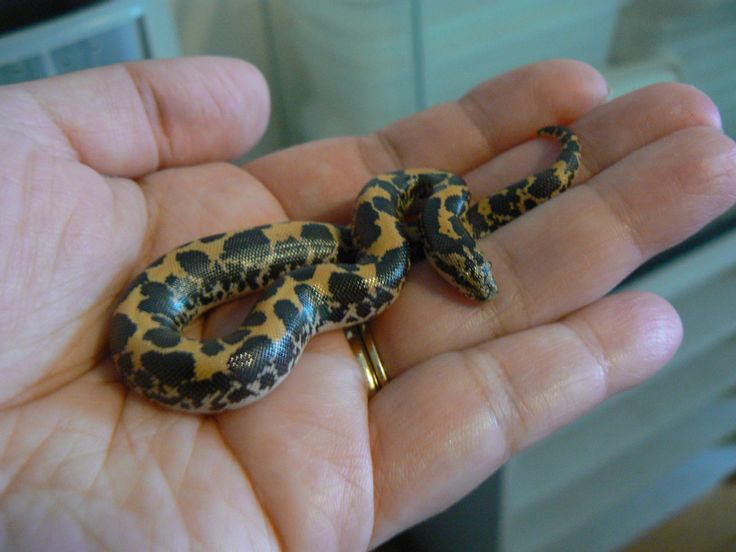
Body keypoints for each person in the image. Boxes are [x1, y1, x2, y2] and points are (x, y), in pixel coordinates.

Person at [0, 56, 733, 551]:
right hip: (153, 333)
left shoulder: (406, 219)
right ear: (438, 246)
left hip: (236, 300)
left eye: (465, 275)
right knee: (319, 279)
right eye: (464, 273)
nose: (471, 287)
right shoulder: (380, 243)